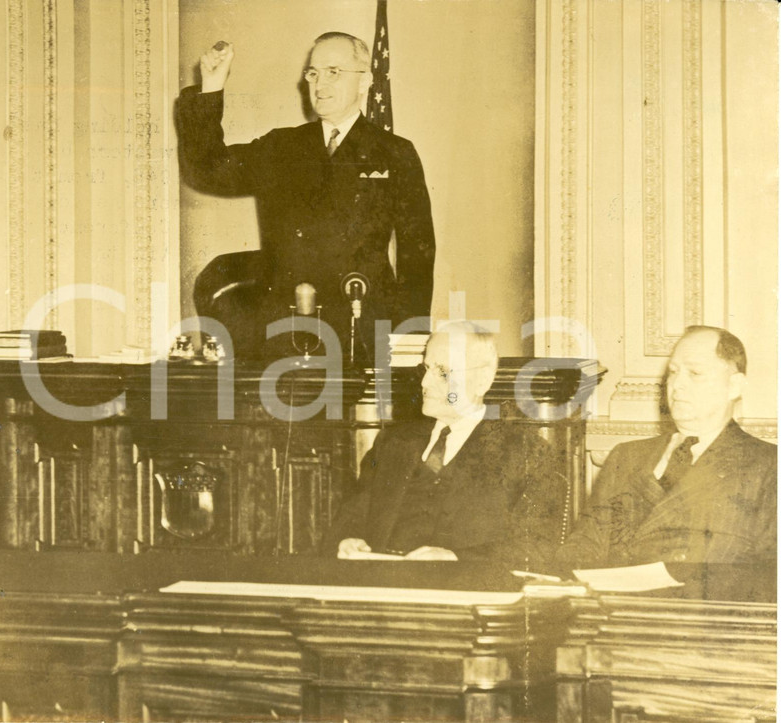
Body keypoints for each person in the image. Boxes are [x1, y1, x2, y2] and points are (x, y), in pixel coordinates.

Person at [177, 32, 436, 361]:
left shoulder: (396, 153)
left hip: (362, 332)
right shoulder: (282, 147)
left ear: (365, 81)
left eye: (333, 72)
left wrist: (410, 342)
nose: (319, 84)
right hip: (285, 331)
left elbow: (418, 256)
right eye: (313, 73)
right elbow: (208, 169)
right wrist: (211, 86)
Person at [323, 323, 564, 566]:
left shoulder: (526, 453)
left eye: (442, 372)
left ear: (482, 379)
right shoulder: (392, 443)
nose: (424, 382)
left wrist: (456, 558)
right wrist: (346, 540)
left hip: (461, 595)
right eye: (426, 368)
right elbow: (350, 518)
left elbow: (537, 547)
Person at [555, 326, 777, 569]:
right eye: (673, 372)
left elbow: (767, 580)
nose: (677, 384)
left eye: (695, 373)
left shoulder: (767, 467)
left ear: (734, 386)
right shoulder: (625, 457)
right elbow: (582, 549)